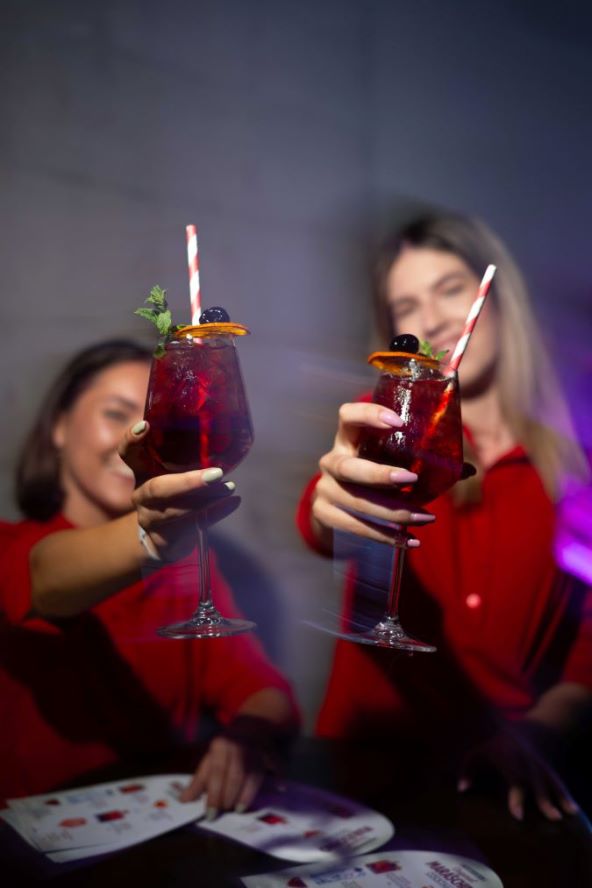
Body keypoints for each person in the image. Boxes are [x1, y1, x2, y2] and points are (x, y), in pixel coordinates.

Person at [297, 212, 592, 822]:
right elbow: (322, 517)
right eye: (406, 306)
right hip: (368, 772)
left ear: (499, 302)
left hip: (503, 784)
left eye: (450, 289)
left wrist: (541, 728)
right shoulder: (391, 428)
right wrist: (331, 504)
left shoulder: (575, 466)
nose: (430, 320)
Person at [0, 339, 298, 814]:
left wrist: (248, 737)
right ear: (58, 426)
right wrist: (152, 536)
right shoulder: (9, 545)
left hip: (164, 835)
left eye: (156, 421)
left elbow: (263, 689)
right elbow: (47, 578)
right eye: (116, 414)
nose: (136, 440)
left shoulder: (188, 570)